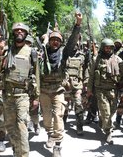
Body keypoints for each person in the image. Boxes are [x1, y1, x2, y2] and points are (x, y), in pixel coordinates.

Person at [39, 12, 82, 157]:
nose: (55, 42)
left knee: (58, 115)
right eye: (53, 40)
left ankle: (57, 144)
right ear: (49, 41)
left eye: (58, 40)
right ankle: (50, 134)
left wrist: (78, 24)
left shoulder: (64, 53)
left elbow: (72, 41)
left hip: (58, 90)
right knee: (46, 117)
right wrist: (42, 45)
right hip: (44, 90)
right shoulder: (42, 52)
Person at [0, 22, 38, 157]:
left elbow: (36, 75)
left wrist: (36, 97)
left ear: (26, 34)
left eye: (22, 30)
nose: (19, 32)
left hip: (23, 95)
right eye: (17, 30)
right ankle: (16, 151)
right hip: (7, 95)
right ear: (13, 33)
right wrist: (0, 55)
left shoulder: (31, 52)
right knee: (10, 127)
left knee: (22, 127)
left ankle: (23, 154)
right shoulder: (7, 51)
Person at [87, 38, 123, 145]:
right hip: (100, 90)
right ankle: (108, 132)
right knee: (106, 112)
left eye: (110, 47)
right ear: (102, 47)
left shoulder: (117, 59)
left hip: (113, 89)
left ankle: (103, 122)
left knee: (112, 111)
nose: (108, 49)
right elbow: (91, 75)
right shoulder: (97, 59)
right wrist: (89, 90)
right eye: (106, 47)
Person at [62, 38, 86, 135]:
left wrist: (86, 84)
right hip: (65, 84)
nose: (74, 45)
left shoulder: (82, 56)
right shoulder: (63, 54)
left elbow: (86, 70)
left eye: (76, 43)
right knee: (64, 105)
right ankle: (63, 122)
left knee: (78, 105)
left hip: (77, 85)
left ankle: (79, 125)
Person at [25, 34, 41, 136]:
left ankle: (36, 124)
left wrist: (37, 96)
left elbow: (38, 75)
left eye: (28, 43)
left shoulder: (33, 54)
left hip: (32, 87)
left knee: (34, 110)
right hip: (21, 89)